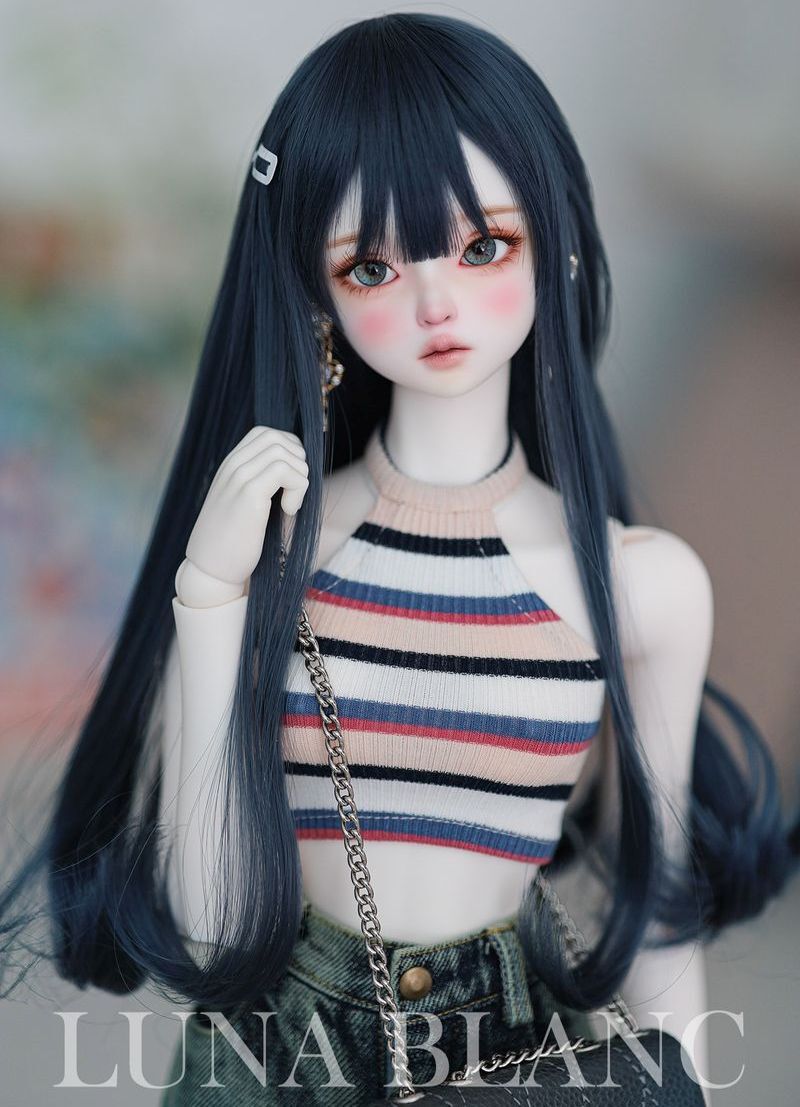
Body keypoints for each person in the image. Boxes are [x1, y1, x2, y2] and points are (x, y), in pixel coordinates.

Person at [1, 13, 797, 1106]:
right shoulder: (276, 552)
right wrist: (208, 597)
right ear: (317, 293)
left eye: (483, 247)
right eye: (372, 265)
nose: (435, 303)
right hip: (272, 1061)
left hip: (509, 1062)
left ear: (555, 243)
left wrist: (683, 1085)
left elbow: (652, 913)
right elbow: (214, 924)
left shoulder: (637, 586)